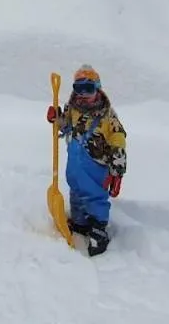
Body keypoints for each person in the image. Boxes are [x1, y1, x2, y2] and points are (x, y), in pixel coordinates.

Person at [46, 65, 127, 255]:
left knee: (95, 197)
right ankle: (80, 222)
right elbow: (66, 127)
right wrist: (57, 119)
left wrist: (118, 168)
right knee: (76, 194)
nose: (83, 94)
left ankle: (98, 228)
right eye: (78, 88)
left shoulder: (107, 117)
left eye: (88, 89)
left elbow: (118, 138)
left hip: (95, 168)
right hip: (75, 166)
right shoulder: (72, 109)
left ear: (98, 89)